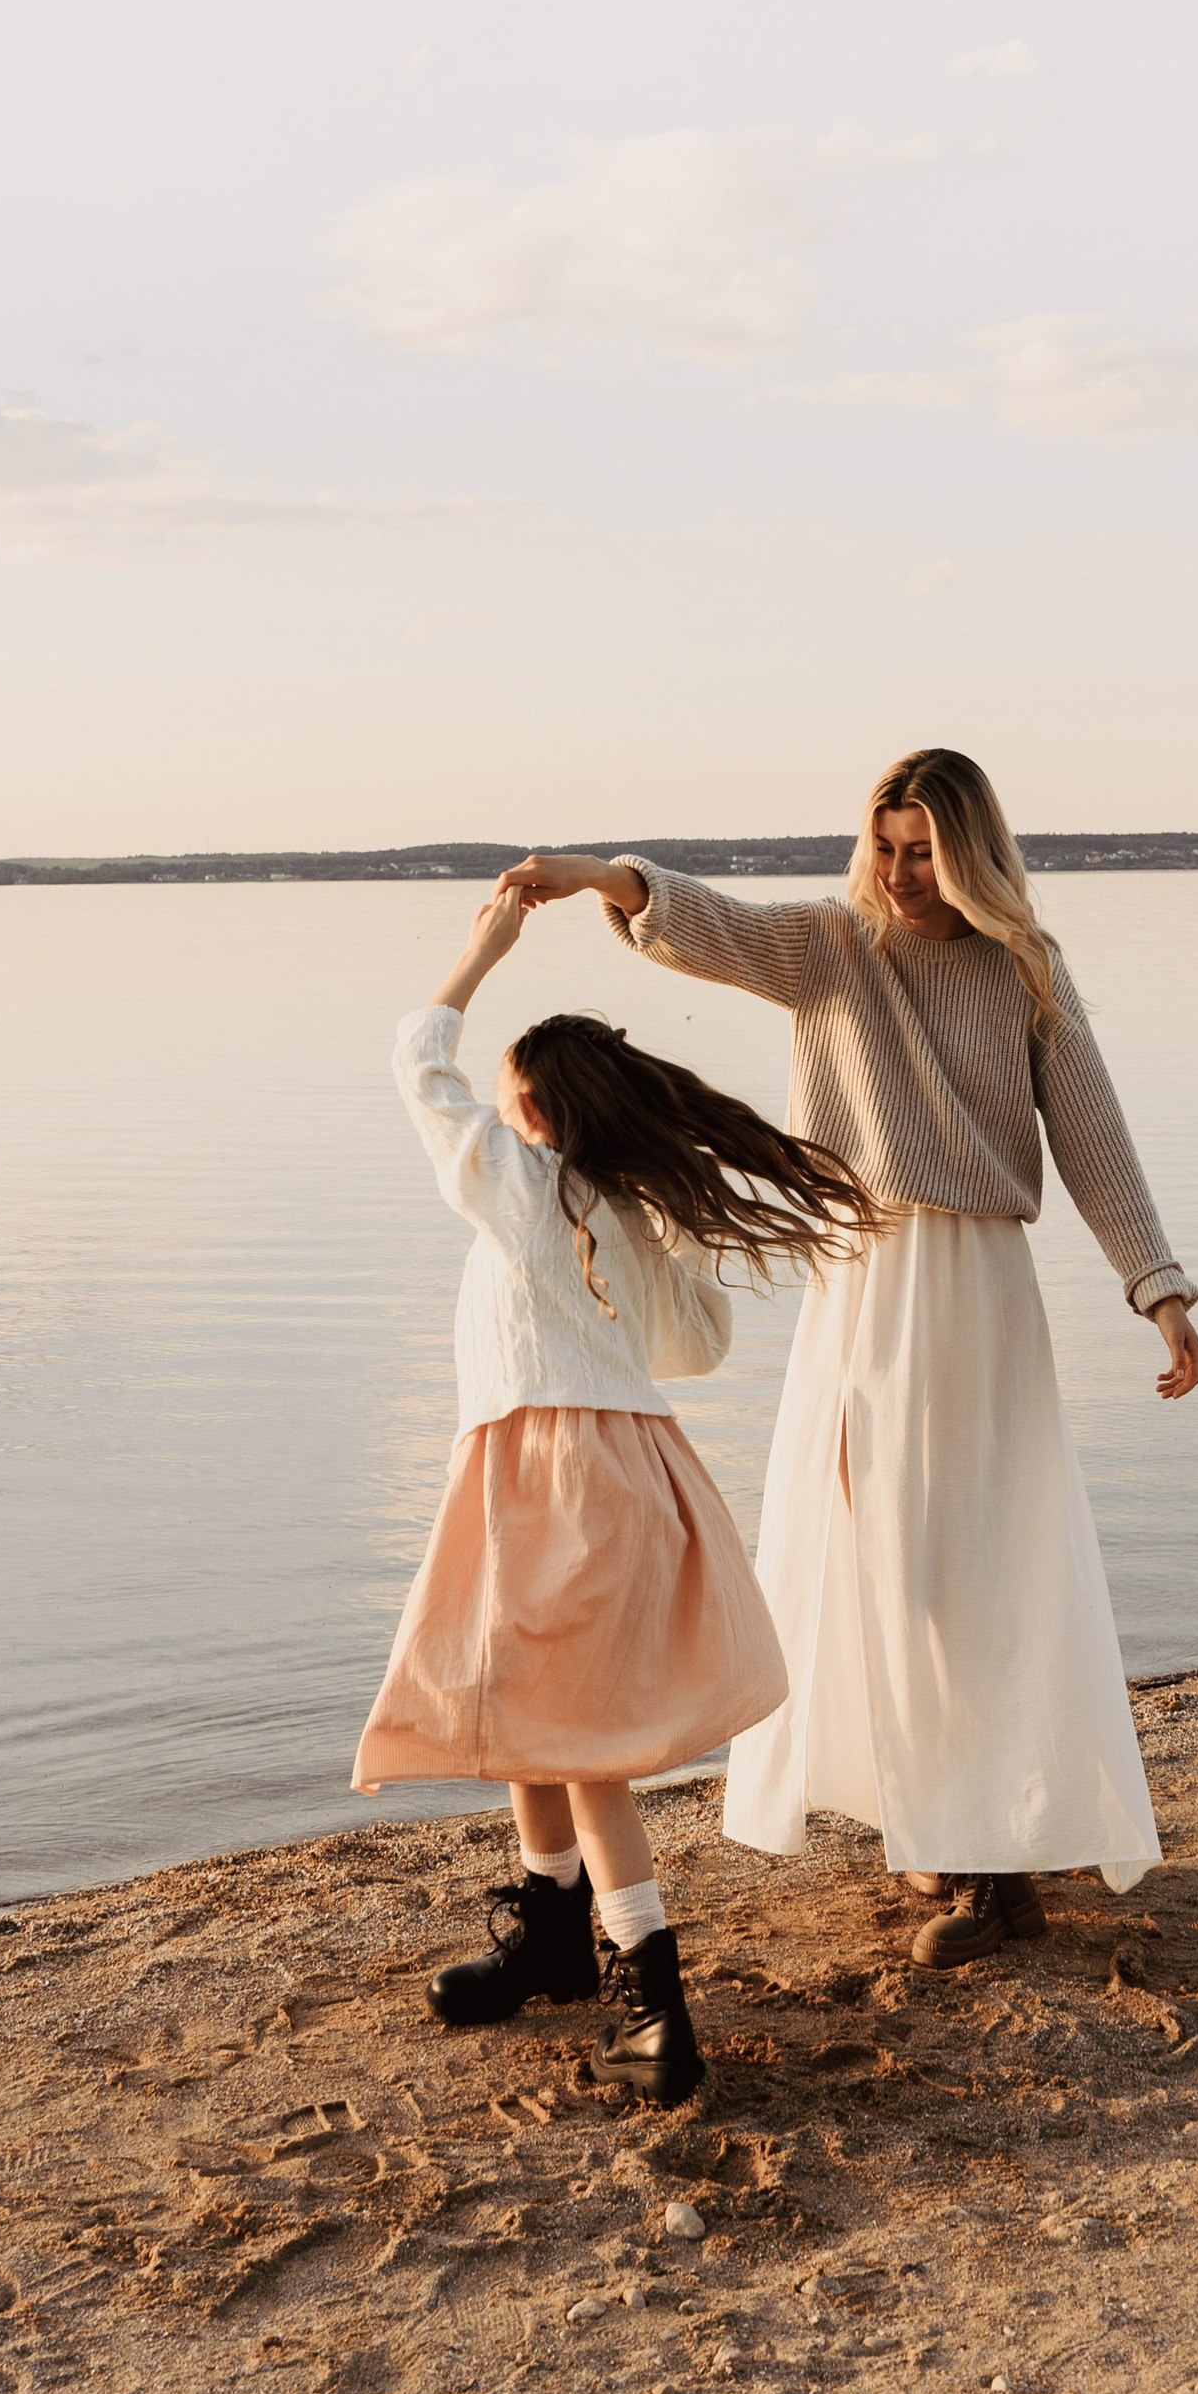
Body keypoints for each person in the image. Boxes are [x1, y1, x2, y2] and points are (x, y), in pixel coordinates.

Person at [498, 747, 1198, 1969]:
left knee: (966, 1567)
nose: (899, 873)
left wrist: (1157, 1289)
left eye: (922, 851)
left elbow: (1092, 1131)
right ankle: (953, 1835)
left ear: (972, 851)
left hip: (973, 1289)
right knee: (869, 1558)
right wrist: (595, 875)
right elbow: (706, 924)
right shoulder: (833, 945)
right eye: (884, 846)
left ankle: (986, 1862)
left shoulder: (1024, 969)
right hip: (858, 1285)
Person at [353, 886, 883, 2103]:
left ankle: (654, 1990)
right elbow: (693, 1349)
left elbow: (411, 1056)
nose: (491, 1106)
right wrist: (658, 1238)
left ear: (531, 1109)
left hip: (549, 1479)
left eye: (505, 1093)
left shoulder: (516, 1180)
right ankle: (552, 1934)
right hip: (626, 1474)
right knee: (527, 1709)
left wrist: (485, 946)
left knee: (578, 1742)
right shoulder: (625, 1215)